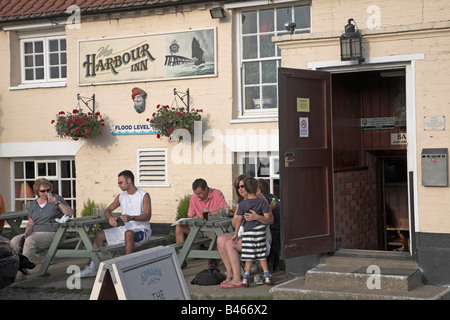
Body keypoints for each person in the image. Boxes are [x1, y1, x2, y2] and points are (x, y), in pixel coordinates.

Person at [79, 170, 152, 278]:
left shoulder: (144, 195)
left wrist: (132, 217)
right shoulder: (121, 196)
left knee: (129, 233)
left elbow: (148, 215)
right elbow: (107, 210)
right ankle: (93, 268)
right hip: (127, 229)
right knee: (99, 234)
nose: (118, 185)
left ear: (129, 181)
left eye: (120, 182)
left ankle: (128, 270)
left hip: (142, 230)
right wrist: (110, 218)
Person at [10, 179, 73, 272]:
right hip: (36, 232)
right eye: (43, 191)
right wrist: (26, 232)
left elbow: (70, 213)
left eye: (48, 190)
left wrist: (57, 202)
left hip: (53, 233)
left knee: (30, 241)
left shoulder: (56, 198)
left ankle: (24, 272)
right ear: (37, 192)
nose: (46, 193)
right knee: (15, 241)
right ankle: (12, 270)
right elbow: (31, 222)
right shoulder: (34, 204)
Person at [231, 177, 274, 287]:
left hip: (248, 234)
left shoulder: (242, 204)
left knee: (248, 257)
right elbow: (268, 217)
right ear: (257, 189)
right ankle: (267, 276)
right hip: (260, 233)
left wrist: (235, 234)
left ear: (245, 189)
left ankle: (245, 279)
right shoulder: (262, 202)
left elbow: (239, 220)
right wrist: (269, 209)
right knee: (261, 256)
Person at [175, 178, 226, 268]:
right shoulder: (193, 198)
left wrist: (207, 214)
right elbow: (190, 216)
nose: (198, 196)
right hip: (198, 228)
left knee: (220, 236)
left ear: (206, 189)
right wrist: (189, 220)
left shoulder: (216, 194)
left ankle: (212, 260)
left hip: (212, 229)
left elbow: (224, 209)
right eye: (196, 193)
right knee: (179, 226)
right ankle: (181, 258)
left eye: (200, 193)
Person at [257, 179, 281, 273]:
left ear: (258, 190)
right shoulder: (273, 197)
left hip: (273, 233)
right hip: (280, 231)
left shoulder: (263, 201)